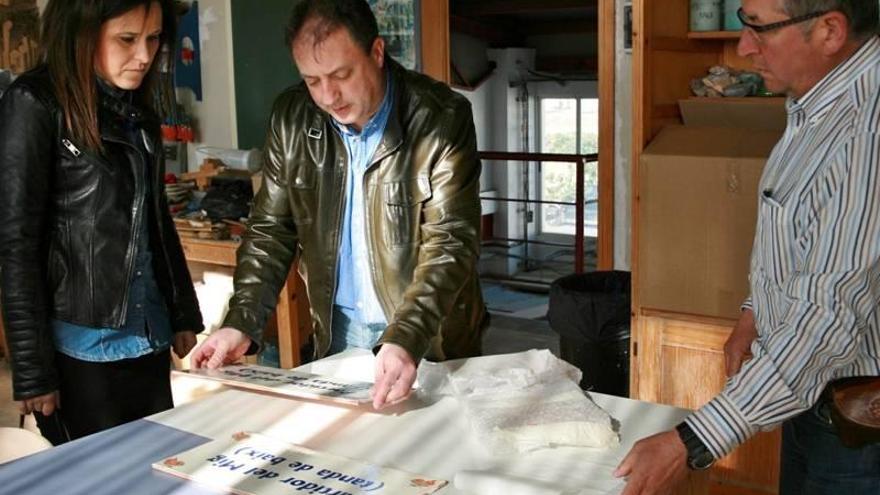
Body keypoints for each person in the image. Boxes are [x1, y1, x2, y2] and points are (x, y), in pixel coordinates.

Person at [615, 1, 880, 493]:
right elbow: (799, 235)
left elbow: (827, 317)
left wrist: (690, 441)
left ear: (829, 30)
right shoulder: (816, 106)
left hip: (860, 424)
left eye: (759, 28)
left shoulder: (865, 132)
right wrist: (754, 312)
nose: (743, 47)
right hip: (809, 398)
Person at [190, 0, 487, 410]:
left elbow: (451, 241)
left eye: (341, 75)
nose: (328, 96)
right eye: (312, 81)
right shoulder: (292, 118)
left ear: (377, 53)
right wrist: (240, 321)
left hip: (428, 332)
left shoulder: (440, 117)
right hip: (337, 328)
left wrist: (407, 335)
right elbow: (270, 232)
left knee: (427, 460)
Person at [0, 0, 203, 444]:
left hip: (146, 335)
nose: (145, 56)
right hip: (81, 347)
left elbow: (155, 222)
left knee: (156, 472)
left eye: (153, 39)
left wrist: (182, 310)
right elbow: (16, 244)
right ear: (82, 32)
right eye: (127, 39)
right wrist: (32, 370)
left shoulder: (137, 110)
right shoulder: (33, 102)